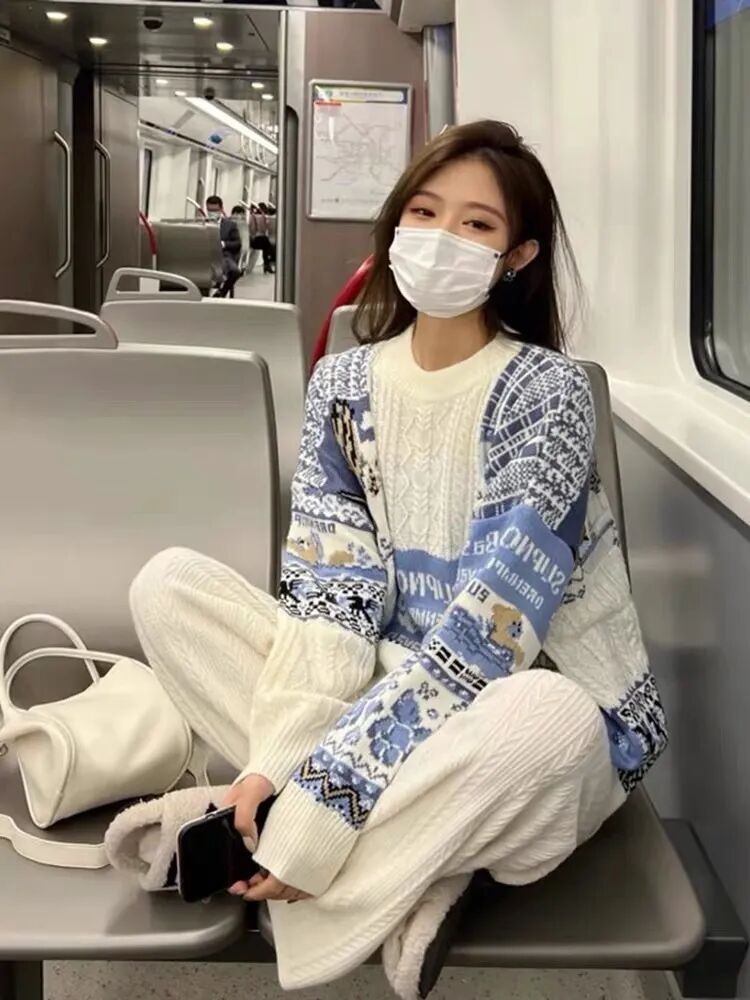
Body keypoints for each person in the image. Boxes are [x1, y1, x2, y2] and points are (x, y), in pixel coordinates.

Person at [129, 121, 667, 998]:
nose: (441, 236)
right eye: (424, 211)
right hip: (386, 683)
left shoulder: (550, 394)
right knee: (169, 587)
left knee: (551, 723)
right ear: (395, 224)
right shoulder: (342, 386)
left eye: (476, 224)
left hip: (522, 694)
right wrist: (280, 762)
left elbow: (493, 633)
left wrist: (325, 799)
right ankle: (421, 858)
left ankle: (312, 851)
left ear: (517, 256)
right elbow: (329, 597)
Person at [206, 194, 242, 298]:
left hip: (224, 256)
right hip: (205, 256)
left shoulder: (230, 225)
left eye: (215, 210)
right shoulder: (202, 224)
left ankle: (222, 292)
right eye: (209, 210)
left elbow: (237, 243)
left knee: (235, 271)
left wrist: (224, 244)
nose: (212, 213)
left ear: (221, 209)